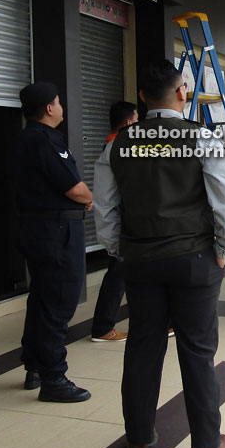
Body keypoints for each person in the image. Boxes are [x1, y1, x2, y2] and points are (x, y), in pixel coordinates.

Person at [94, 60, 225, 448]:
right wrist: (223, 248)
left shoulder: (118, 145)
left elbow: (105, 208)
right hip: (194, 260)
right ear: (182, 93)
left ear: (142, 97)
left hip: (140, 261)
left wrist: (117, 250)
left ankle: (138, 440)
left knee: (142, 345)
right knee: (197, 350)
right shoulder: (202, 138)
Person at [11, 82, 93, 403]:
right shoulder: (44, 140)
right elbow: (74, 188)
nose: (61, 107)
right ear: (49, 108)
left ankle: (34, 364)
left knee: (42, 298)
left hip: (37, 228)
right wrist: (87, 198)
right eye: (58, 102)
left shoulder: (22, 140)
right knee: (59, 300)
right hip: (56, 232)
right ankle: (54, 377)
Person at [91, 101, 138, 342]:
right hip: (124, 224)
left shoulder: (111, 144)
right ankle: (102, 326)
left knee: (122, 274)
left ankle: (103, 325)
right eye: (137, 119)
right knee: (118, 275)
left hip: (120, 224)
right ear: (129, 122)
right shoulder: (120, 147)